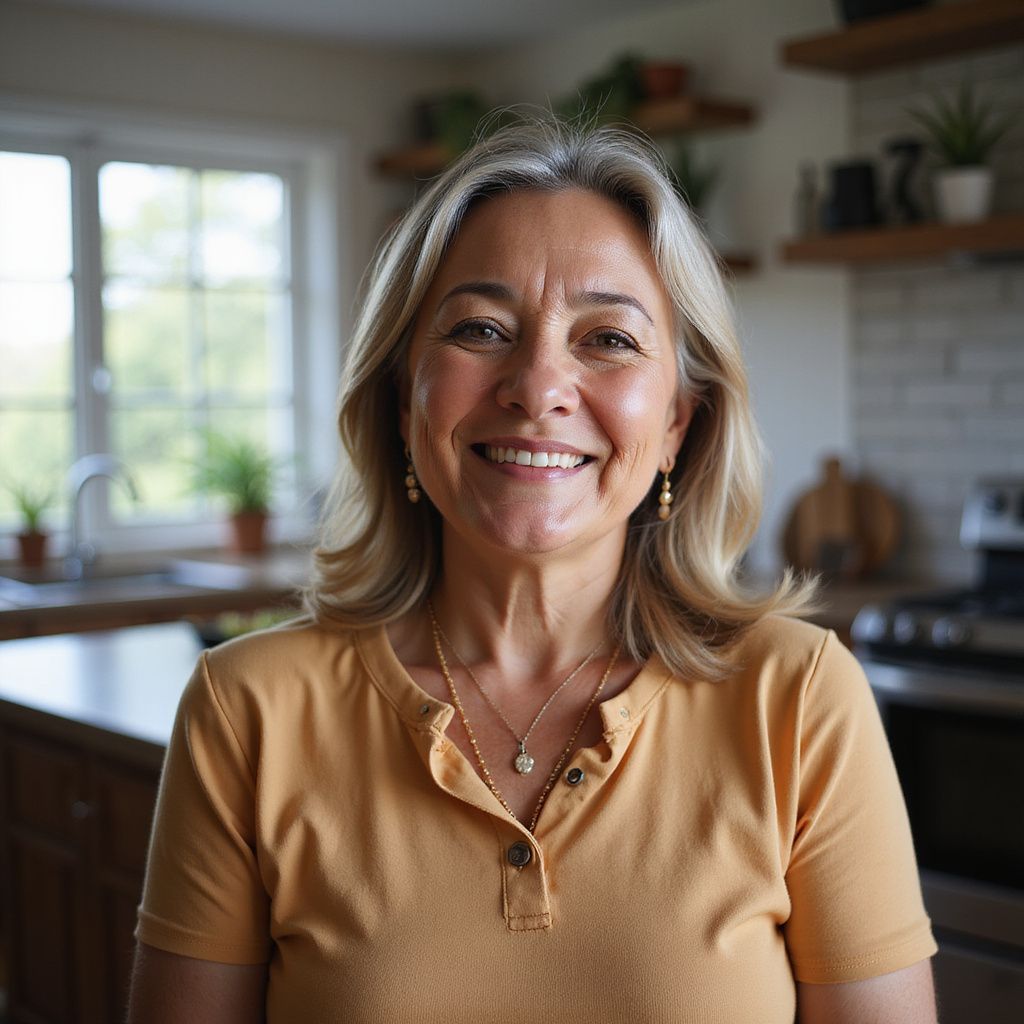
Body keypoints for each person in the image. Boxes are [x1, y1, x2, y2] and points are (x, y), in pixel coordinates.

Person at [127, 118, 938, 1023]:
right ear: (405, 400)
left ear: (677, 421)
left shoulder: (798, 700)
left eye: (610, 340)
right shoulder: (247, 712)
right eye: (480, 328)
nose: (538, 385)